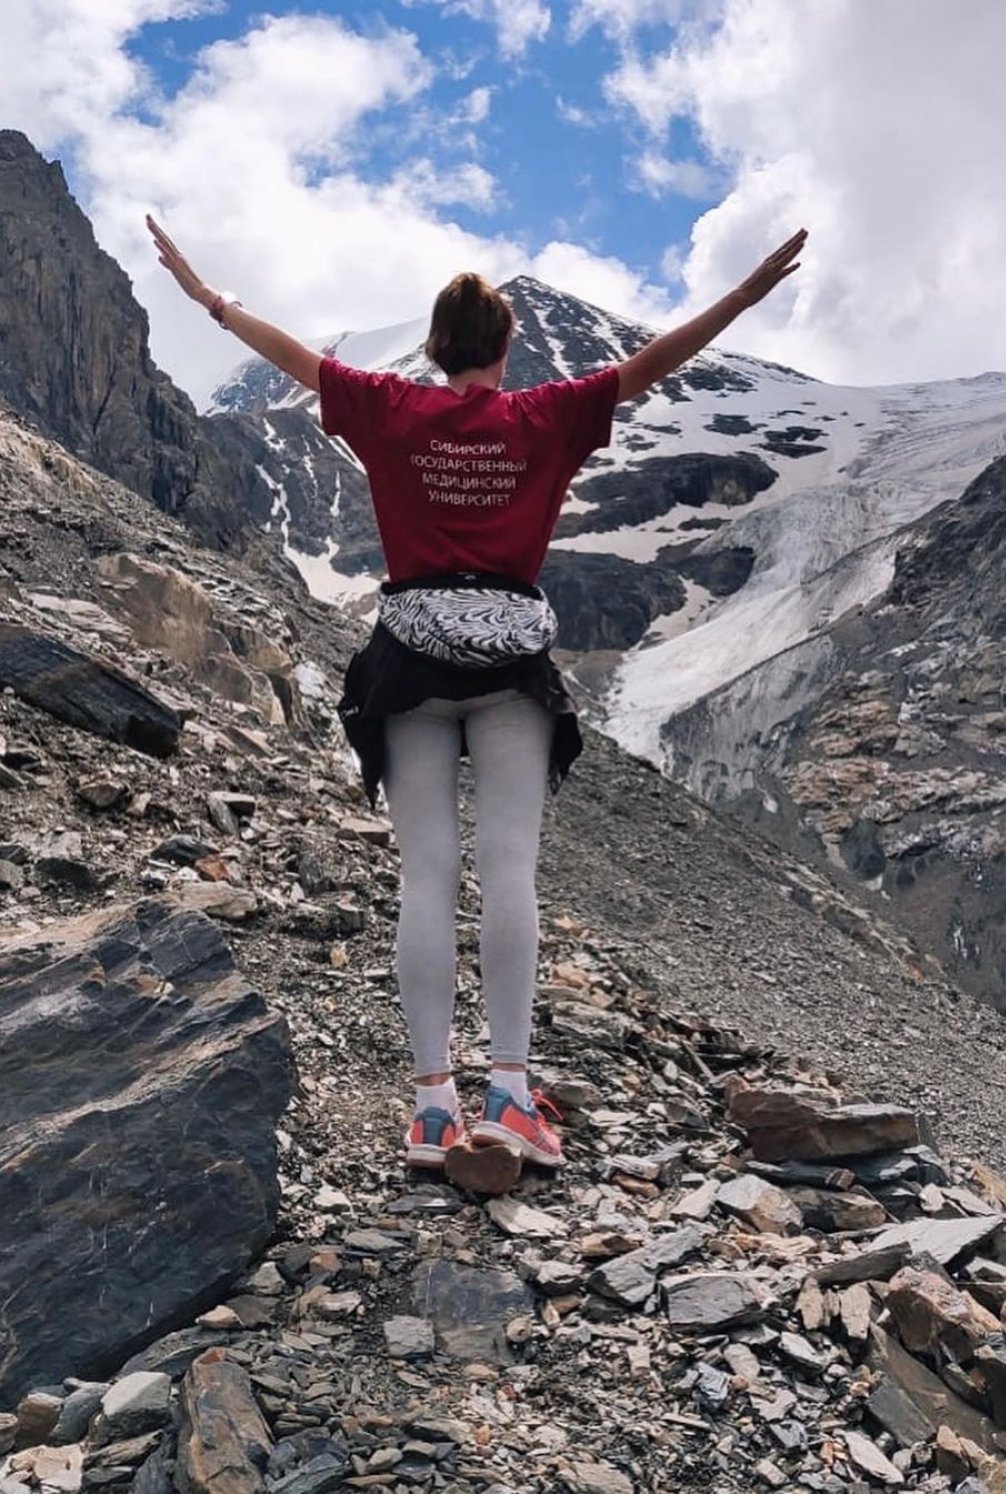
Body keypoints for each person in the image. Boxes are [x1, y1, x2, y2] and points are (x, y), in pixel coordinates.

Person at [148, 214, 807, 1171]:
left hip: (409, 660)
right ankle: (509, 1093)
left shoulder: (387, 410)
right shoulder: (546, 418)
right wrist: (745, 297)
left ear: (433, 348)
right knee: (509, 870)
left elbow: (289, 355)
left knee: (425, 872)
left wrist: (209, 299)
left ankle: (429, 1109)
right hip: (509, 670)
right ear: (506, 349)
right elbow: (652, 364)